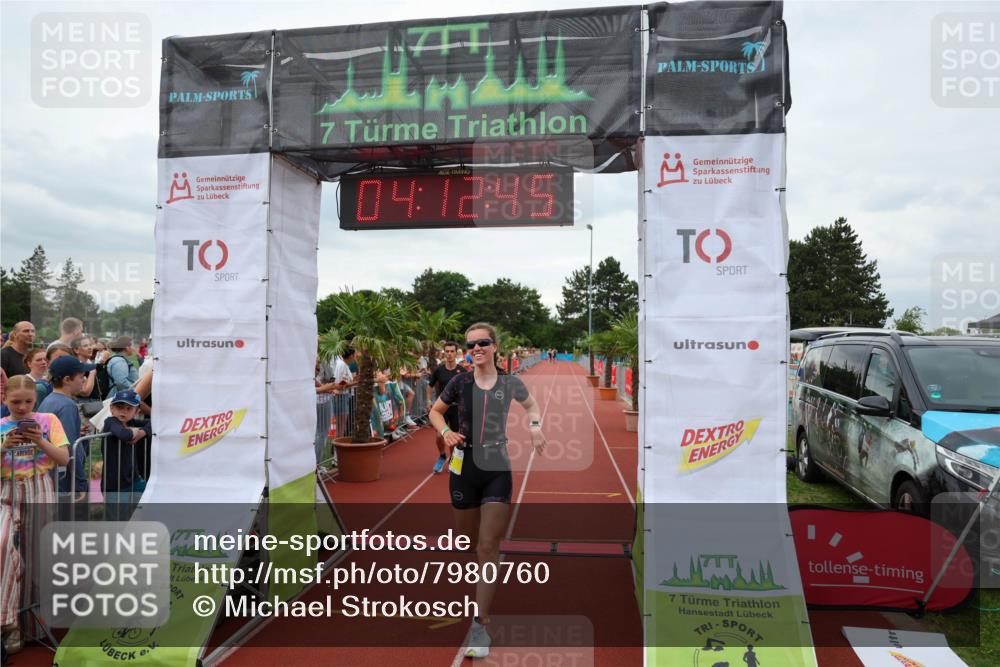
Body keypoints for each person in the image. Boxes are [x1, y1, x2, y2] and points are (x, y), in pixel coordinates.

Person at [428, 322, 547, 659]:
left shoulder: (510, 383)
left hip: (496, 466)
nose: (476, 348)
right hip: (463, 469)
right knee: (467, 541)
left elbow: (533, 407)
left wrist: (535, 428)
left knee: (487, 547)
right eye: (471, 345)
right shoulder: (459, 382)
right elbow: (435, 411)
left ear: (494, 346)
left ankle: (480, 624)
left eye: (482, 343)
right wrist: (446, 432)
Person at [1, 375, 70, 654]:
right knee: (3, 543)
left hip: (40, 488)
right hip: (5, 491)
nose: (22, 407)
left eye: (28, 401)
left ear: (35, 400)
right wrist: (4, 446)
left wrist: (39, 440)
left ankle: (31, 626)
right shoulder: (1, 425)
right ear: (5, 399)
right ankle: (8, 621)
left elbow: (64, 458)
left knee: (37, 559)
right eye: (15, 402)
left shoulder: (49, 420)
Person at [39, 356, 96, 496]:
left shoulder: (49, 400)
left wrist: (77, 432)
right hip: (63, 479)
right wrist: (81, 483)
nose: (84, 380)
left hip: (51, 474)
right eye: (81, 376)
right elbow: (71, 447)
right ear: (67, 380)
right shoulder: (67, 405)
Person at [101, 390, 150, 521]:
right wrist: (133, 433)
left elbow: (155, 423)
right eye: (119, 407)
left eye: (129, 408)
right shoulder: (110, 422)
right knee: (117, 522)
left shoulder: (132, 423)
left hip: (134, 480)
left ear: (137, 411)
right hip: (115, 486)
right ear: (111, 408)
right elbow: (124, 435)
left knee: (151, 501)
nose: (124, 411)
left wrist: (142, 432)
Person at [428, 341, 467, 473]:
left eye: (452, 351)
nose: (449, 354)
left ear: (456, 353)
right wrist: (429, 401)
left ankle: (452, 459)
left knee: (454, 437)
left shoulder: (462, 371)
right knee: (440, 435)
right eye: (447, 351)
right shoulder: (439, 369)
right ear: (444, 353)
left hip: (457, 408)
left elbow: (467, 389)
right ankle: (442, 456)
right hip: (442, 408)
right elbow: (430, 385)